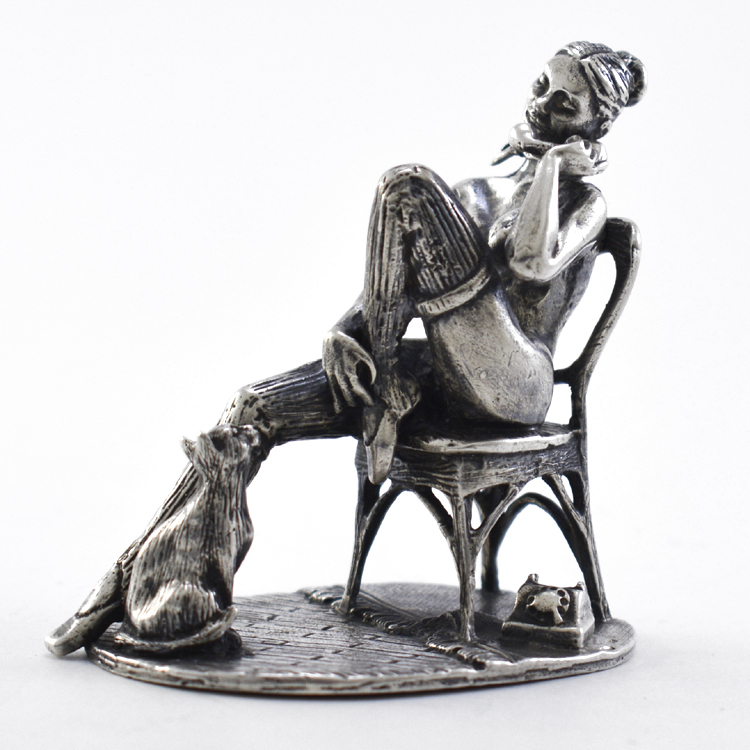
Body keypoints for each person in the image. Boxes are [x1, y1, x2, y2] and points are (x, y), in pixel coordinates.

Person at [46, 41, 646, 655]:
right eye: (542, 85)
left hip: (515, 387)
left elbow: (529, 260)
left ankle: (383, 388)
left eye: (565, 103)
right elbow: (392, 283)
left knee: (407, 187)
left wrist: (553, 167)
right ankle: (146, 580)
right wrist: (342, 334)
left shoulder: (585, 204)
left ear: (594, 126)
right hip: (438, 373)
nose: (543, 104)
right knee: (252, 406)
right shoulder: (474, 193)